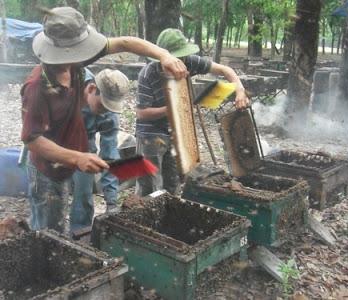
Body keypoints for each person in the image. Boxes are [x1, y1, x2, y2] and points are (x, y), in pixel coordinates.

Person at [21, 7, 188, 233]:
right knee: (48, 231)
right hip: (46, 170)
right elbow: (32, 140)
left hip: (71, 153)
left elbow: (125, 43)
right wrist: (77, 157)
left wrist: (164, 55)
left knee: (70, 213)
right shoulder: (36, 88)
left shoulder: (74, 61)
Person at [135, 28, 250, 196]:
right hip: (150, 136)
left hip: (176, 133)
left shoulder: (190, 62)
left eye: (181, 58)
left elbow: (226, 71)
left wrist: (240, 90)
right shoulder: (148, 74)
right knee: (150, 188)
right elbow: (142, 113)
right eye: (176, 59)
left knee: (173, 183)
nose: (180, 63)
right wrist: (173, 108)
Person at [70, 68, 129, 232]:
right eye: (102, 104)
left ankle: (80, 231)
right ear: (91, 89)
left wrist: (111, 203)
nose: (105, 109)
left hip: (84, 141)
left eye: (109, 106)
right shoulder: (71, 83)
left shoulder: (110, 116)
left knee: (84, 190)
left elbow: (109, 158)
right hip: (57, 134)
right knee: (51, 192)